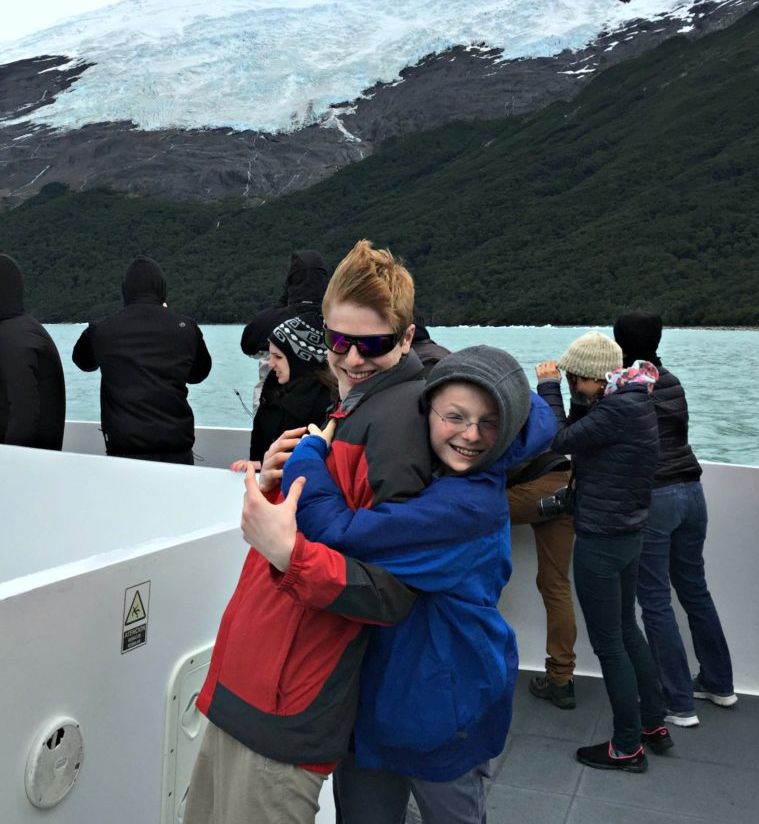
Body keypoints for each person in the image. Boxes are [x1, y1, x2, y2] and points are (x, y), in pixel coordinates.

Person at [185, 240, 434, 824]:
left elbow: (392, 591)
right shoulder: (350, 411)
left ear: (405, 336)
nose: (349, 359)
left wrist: (287, 552)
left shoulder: (398, 427)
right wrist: (275, 481)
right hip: (247, 688)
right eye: (337, 340)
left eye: (370, 344)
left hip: (286, 708)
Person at [282, 345, 556, 824]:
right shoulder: (436, 474)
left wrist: (307, 456)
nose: (471, 435)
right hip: (382, 694)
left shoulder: (465, 508)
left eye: (489, 423)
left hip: (442, 707)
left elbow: (338, 533)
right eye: (455, 416)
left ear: (508, 427)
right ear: (425, 411)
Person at [536, 331, 671, 773]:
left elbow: (559, 439)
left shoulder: (614, 410)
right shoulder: (633, 400)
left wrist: (549, 388)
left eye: (576, 377)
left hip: (601, 538)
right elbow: (583, 433)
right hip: (630, 533)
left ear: (593, 377)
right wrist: (573, 395)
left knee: (610, 644)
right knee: (628, 630)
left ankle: (627, 746)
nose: (572, 383)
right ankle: (653, 724)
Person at [613, 311, 736, 727]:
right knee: (694, 590)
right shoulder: (673, 382)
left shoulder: (628, 387)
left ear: (619, 344)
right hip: (692, 491)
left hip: (657, 496)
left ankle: (678, 700)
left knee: (654, 599)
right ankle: (719, 684)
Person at [72, 256, 211, 464]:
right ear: (162, 289)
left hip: (124, 453)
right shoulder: (186, 328)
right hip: (178, 452)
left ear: (125, 291)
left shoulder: (102, 330)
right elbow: (199, 374)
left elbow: (82, 362)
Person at [506, 447, 578, 709]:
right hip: (565, 481)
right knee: (556, 585)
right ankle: (561, 678)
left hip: (530, 486)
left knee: (461, 515)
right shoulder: (545, 412)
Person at [241, 249, 329, 409]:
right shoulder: (337, 319)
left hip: (272, 409)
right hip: (323, 409)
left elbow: (248, 345)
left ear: (291, 280)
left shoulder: (271, 319)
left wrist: (284, 300)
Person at [248, 314, 336, 463]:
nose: (270, 363)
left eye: (278, 357)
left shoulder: (327, 403)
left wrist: (264, 465)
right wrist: (256, 465)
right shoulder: (271, 391)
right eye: (270, 355)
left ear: (301, 359)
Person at [0, 253, 66, 450]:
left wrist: (8, 463)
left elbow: (24, 415)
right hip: (36, 463)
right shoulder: (23, 330)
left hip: (24, 469)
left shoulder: (12, 338)